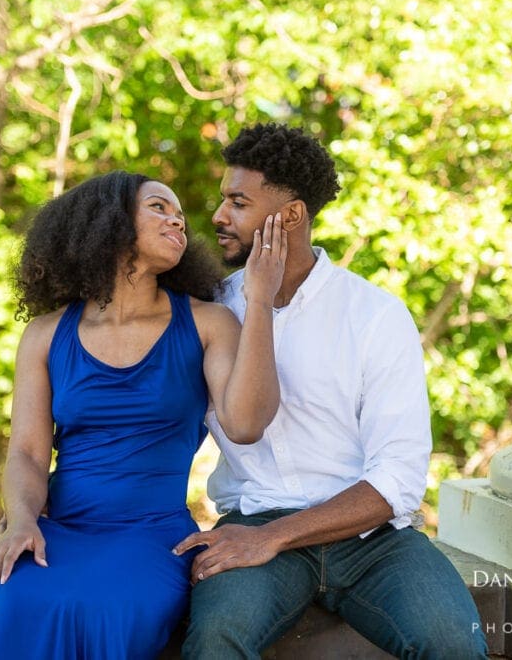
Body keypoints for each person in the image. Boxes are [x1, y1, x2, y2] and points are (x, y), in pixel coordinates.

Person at [173, 124, 488, 659]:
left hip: (372, 541)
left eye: (238, 203)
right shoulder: (210, 313)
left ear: (290, 216)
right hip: (254, 525)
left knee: (452, 641)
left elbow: (399, 479)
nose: (219, 218)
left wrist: (275, 537)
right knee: (214, 640)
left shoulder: (375, 315)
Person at [0, 170, 287, 659]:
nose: (178, 221)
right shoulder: (45, 334)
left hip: (151, 535)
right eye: (159, 208)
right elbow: (29, 454)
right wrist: (20, 522)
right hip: (59, 526)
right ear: (109, 223)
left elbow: (245, 425)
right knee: (14, 599)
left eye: (181, 216)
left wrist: (260, 298)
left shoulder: (207, 322)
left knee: (113, 609)